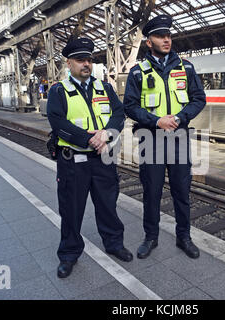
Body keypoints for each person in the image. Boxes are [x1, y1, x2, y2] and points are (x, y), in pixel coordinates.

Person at [47, 37, 133, 279]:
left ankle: (114, 244)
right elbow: (57, 122)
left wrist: (106, 134)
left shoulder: (104, 88)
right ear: (69, 63)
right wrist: (89, 140)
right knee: (71, 209)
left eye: (89, 60)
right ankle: (69, 254)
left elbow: (119, 114)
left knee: (108, 204)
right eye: (80, 60)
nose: (86, 64)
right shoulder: (58, 91)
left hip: (103, 157)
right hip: (73, 160)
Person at [123, 15, 206, 259]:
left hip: (179, 137)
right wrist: (157, 120)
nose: (167, 39)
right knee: (152, 192)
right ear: (149, 42)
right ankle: (151, 238)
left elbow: (199, 99)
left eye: (169, 35)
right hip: (151, 140)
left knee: (182, 191)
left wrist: (180, 118)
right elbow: (129, 106)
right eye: (160, 36)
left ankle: (184, 238)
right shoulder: (138, 72)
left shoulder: (186, 67)